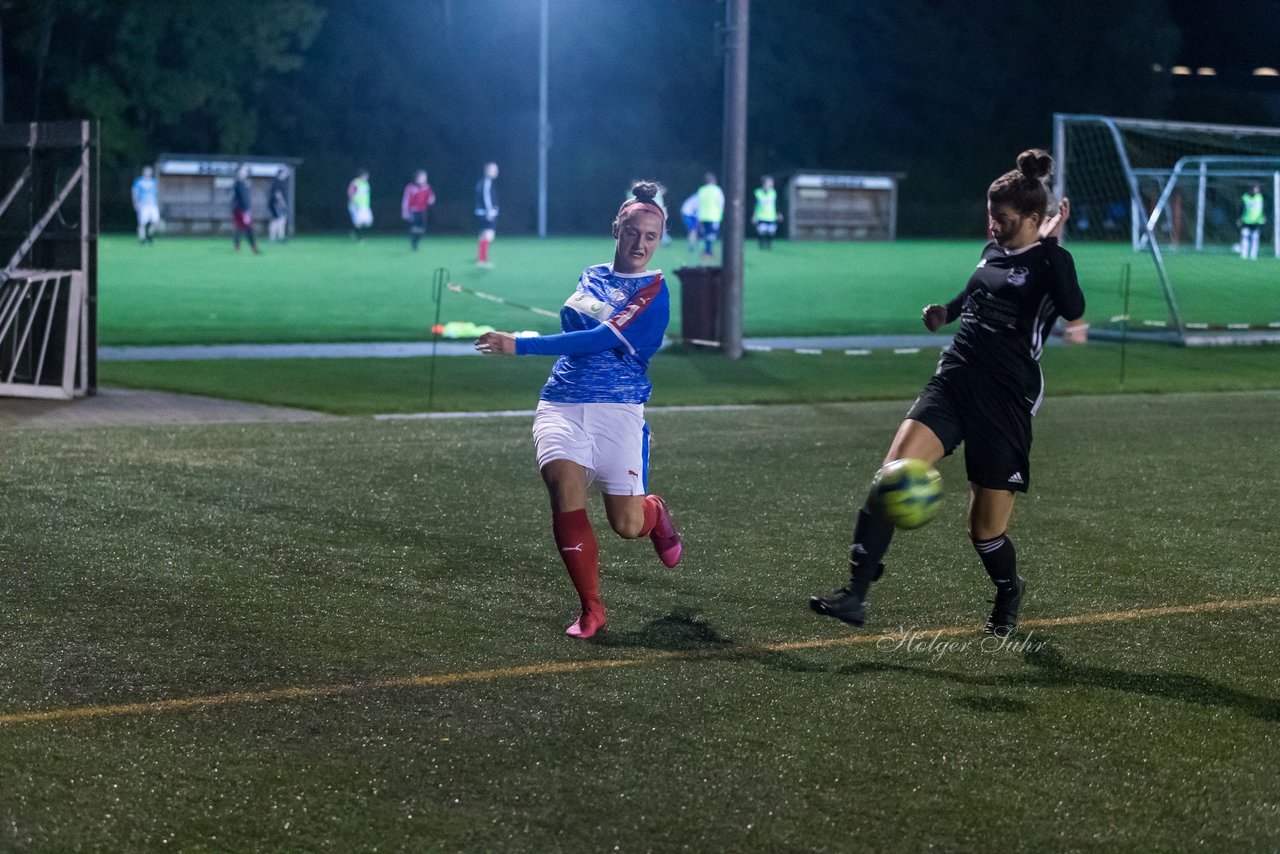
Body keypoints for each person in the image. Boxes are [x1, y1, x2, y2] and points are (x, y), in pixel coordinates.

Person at [809, 149, 1084, 637]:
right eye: (991, 215)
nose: (993, 225)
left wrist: (1052, 249)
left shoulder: (1050, 262)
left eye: (1003, 218)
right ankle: (855, 595)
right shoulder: (993, 248)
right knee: (891, 477)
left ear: (1033, 219)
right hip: (954, 378)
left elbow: (1073, 307)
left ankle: (1007, 589)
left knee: (985, 531)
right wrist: (946, 311)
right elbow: (976, 291)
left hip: (1005, 396)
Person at [474, 181, 683, 639]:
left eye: (651, 237)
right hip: (562, 402)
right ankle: (592, 609)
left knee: (627, 526)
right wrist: (561, 338)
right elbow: (577, 327)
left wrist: (521, 345)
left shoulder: (654, 292)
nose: (640, 244)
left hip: (619, 411)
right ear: (617, 229)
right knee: (564, 488)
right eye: (632, 233)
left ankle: (654, 511)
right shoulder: (591, 274)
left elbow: (597, 337)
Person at [401, 170, 437, 251]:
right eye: (422, 177)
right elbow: (405, 200)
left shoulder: (426, 187)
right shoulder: (410, 187)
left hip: (423, 210)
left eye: (425, 177)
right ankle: (414, 243)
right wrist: (405, 211)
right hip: (413, 210)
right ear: (417, 178)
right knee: (415, 227)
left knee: (422, 229)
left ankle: (416, 241)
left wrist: (431, 199)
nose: (424, 179)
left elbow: (431, 197)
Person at [231, 165, 260, 255]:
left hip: (239, 209)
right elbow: (243, 198)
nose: (245, 172)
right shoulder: (240, 184)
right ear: (239, 173)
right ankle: (254, 248)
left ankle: (238, 247)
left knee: (239, 228)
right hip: (242, 210)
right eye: (243, 171)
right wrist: (246, 209)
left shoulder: (242, 183)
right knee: (248, 229)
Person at [475, 161, 499, 267]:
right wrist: (490, 212)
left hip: (482, 212)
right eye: (493, 169)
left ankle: (481, 259)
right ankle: (482, 260)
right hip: (486, 213)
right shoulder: (486, 182)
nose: (496, 171)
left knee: (483, 236)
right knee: (489, 236)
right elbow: (487, 198)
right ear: (487, 171)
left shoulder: (482, 182)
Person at [696, 172, 724, 262]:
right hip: (714, 216)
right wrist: (721, 213)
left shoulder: (701, 190)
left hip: (703, 216)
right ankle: (708, 252)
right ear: (714, 181)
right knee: (712, 235)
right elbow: (721, 203)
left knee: (706, 235)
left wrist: (698, 216)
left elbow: (698, 204)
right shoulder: (717, 190)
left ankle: (707, 252)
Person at [131, 165, 160, 245]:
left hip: (153, 204)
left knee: (155, 221)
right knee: (142, 223)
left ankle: (149, 235)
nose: (148, 173)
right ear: (143, 172)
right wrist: (135, 203)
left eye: (149, 171)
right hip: (143, 205)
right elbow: (134, 193)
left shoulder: (154, 182)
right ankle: (142, 238)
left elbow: (156, 194)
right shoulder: (139, 182)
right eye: (147, 171)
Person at [752, 175, 781, 250]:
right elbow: (754, 204)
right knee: (762, 231)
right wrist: (754, 215)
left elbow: (776, 204)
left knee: (771, 231)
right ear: (764, 183)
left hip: (771, 216)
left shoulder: (773, 193)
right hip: (761, 215)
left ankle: (769, 245)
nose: (771, 184)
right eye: (769, 182)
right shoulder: (758, 192)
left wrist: (778, 213)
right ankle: (761, 244)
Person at [1238, 183, 1265, 261]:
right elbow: (1240, 208)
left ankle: (1253, 255)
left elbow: (1262, 208)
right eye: (1256, 189)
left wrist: (1263, 216)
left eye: (1258, 189)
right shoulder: (1245, 197)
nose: (1257, 190)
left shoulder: (1260, 197)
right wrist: (1239, 218)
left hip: (1256, 221)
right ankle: (1244, 254)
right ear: (1251, 189)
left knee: (1255, 238)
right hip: (1246, 220)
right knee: (1245, 237)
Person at [348, 169, 373, 239]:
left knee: (368, 222)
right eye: (366, 175)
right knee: (358, 222)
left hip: (365, 205)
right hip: (356, 205)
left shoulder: (366, 183)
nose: (367, 177)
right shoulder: (355, 182)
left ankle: (354, 232)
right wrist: (353, 203)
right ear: (362, 175)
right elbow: (350, 193)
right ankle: (360, 237)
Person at [268, 168, 289, 244]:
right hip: (276, 204)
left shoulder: (282, 182)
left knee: (281, 220)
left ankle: (280, 238)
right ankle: (273, 238)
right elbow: (278, 194)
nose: (286, 174)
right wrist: (283, 203)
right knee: (276, 221)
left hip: (277, 204)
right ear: (280, 173)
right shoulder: (277, 182)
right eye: (285, 172)